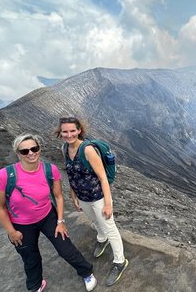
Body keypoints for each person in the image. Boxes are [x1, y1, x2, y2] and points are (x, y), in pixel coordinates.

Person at [0, 134, 97, 292]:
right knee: (30, 258)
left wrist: (60, 222)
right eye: (24, 151)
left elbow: (58, 197)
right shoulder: (4, 176)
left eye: (34, 149)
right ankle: (35, 285)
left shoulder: (50, 170)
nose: (30, 153)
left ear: (39, 149)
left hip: (48, 217)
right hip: (21, 225)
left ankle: (86, 272)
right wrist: (11, 231)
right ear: (18, 153)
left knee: (65, 249)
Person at [55, 116, 128, 287]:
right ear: (60, 133)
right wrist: (73, 195)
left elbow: (103, 178)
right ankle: (101, 238)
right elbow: (71, 173)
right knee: (95, 221)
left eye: (72, 130)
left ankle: (120, 261)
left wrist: (108, 204)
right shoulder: (64, 148)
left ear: (79, 130)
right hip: (82, 197)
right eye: (65, 131)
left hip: (98, 198)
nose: (69, 134)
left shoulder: (87, 150)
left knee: (110, 227)